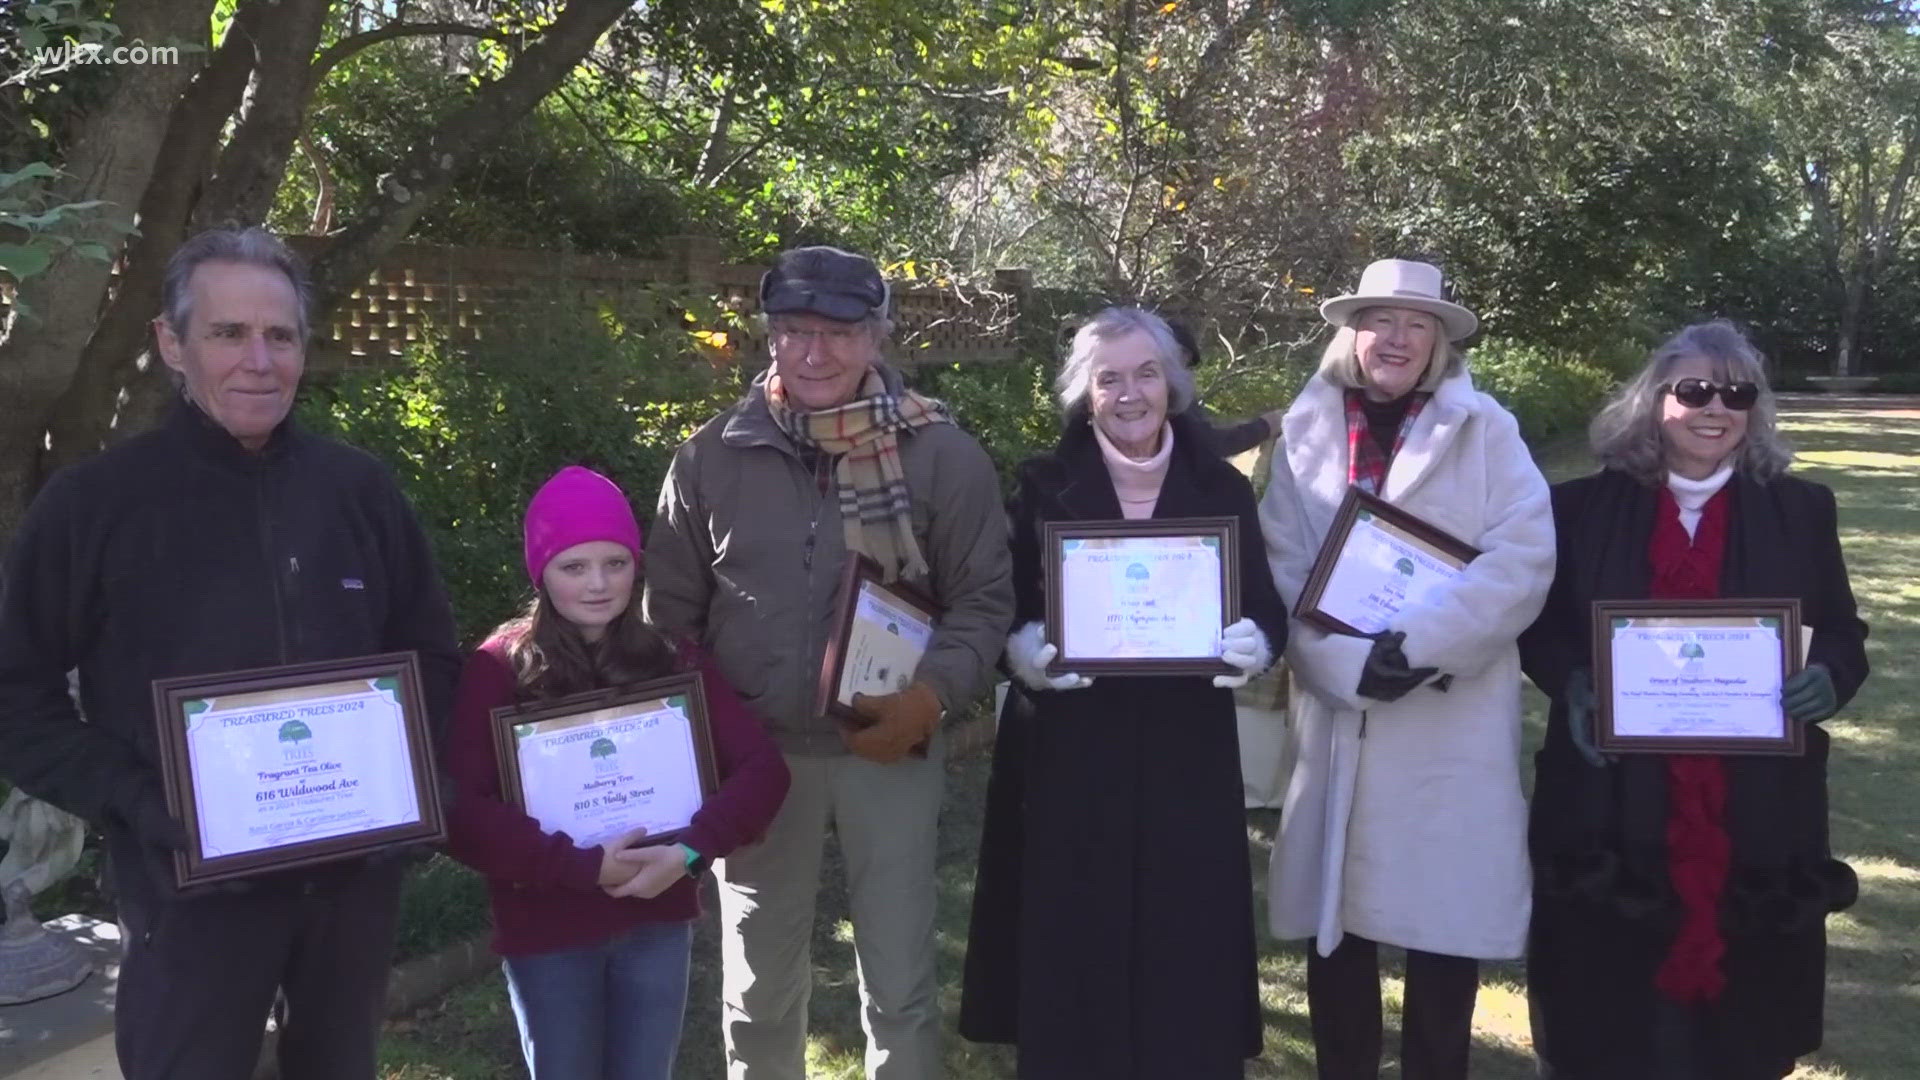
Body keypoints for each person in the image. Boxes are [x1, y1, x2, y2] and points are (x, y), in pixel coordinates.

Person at [0, 227, 461, 1079]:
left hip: (350, 888)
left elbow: (432, 656)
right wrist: (143, 801)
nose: (258, 360)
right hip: (187, 895)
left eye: (279, 335)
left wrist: (398, 779)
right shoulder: (93, 507)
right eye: (227, 333)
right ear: (172, 344)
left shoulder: (358, 491)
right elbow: (17, 700)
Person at [643, 245, 1013, 1079]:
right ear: (770, 338)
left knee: (898, 978)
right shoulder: (712, 456)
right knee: (760, 985)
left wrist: (931, 698)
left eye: (838, 333)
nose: (814, 353)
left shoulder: (942, 457)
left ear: (877, 337)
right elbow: (668, 620)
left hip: (889, 745)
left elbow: (984, 602)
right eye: (794, 331)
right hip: (759, 762)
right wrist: (711, 740)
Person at [1518, 321, 1867, 1080]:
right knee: (1605, 1015)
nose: (1717, 407)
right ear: (1655, 401)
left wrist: (1831, 676)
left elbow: (1842, 631)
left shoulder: (1803, 509)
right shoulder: (1576, 509)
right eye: (1696, 389)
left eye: (1737, 392)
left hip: (1757, 800)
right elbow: (1539, 628)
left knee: (1742, 1024)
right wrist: (1572, 683)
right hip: (1614, 793)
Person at [958, 306, 1287, 1078]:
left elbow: (1264, 603)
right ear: (1086, 391)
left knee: (1184, 919)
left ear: (1172, 382)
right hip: (1073, 741)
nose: (1130, 393)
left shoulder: (1221, 485)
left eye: (1146, 374)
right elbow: (1007, 601)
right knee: (1076, 922)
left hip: (1184, 743)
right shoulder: (1042, 482)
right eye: (1109, 378)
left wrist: (1258, 642)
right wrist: (1023, 651)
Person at [1258, 258, 1554, 1079]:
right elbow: (1282, 566)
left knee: (1442, 917)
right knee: (1335, 915)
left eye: (1415, 324)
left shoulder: (1488, 429)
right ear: (1351, 332)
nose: (1395, 337)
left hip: (1447, 716)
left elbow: (1524, 557)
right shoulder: (1304, 432)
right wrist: (1346, 665)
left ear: (1438, 344)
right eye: (1379, 320)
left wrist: (1421, 649)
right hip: (1341, 709)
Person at [443, 465, 789, 1080]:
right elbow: (462, 809)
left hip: (655, 918)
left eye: (616, 562)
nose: (599, 584)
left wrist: (690, 850)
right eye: (573, 567)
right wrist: (576, 866)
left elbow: (764, 770)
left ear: (638, 563)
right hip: (548, 929)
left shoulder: (672, 659)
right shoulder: (498, 668)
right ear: (541, 573)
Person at [1166, 318, 1284, 458]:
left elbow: (1200, 434)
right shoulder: (1167, 396)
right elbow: (1210, 444)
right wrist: (1265, 426)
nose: (1186, 373)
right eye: (1183, 362)